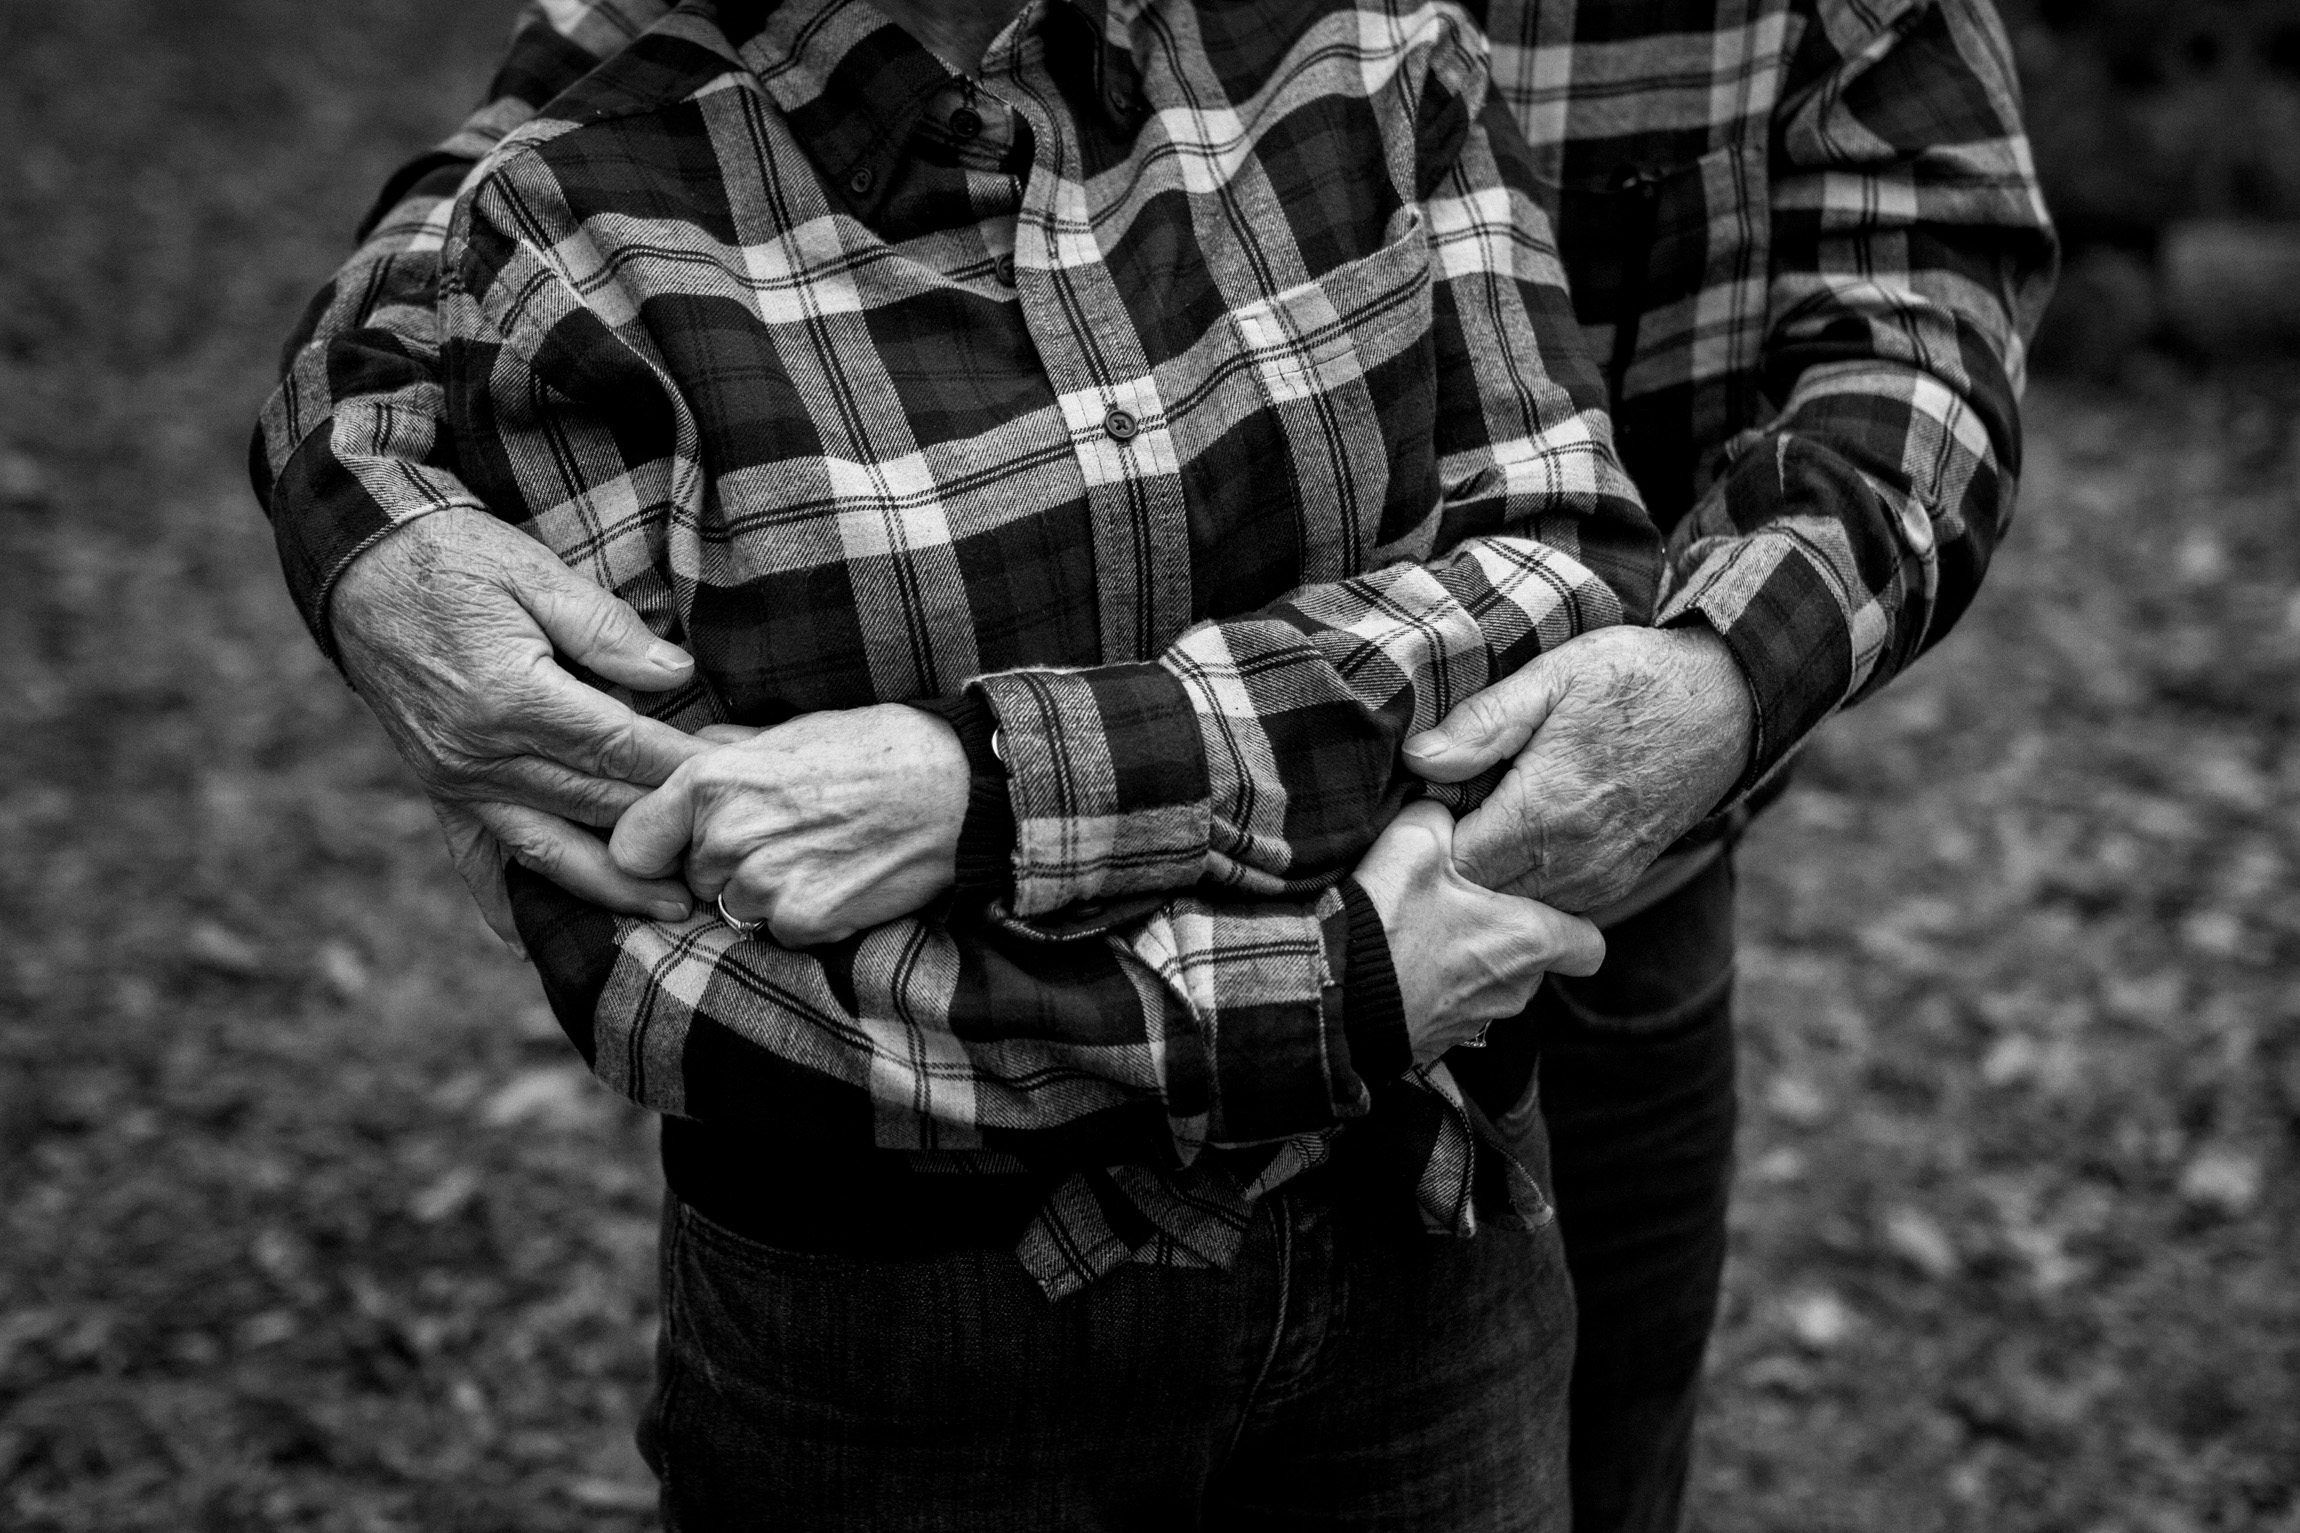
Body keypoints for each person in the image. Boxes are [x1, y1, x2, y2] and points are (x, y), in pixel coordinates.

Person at [252, 0, 2054, 1526]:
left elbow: (1919, 299)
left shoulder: (1367, 54)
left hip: (1601, 879)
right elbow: (683, 931)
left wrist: (1727, 674)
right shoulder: (606, 225)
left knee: (1606, 1428)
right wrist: (353, 490)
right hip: (938, 1262)